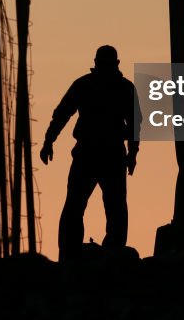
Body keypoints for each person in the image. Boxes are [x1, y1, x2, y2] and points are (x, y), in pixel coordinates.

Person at [39, 45, 142, 260]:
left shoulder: (98, 86)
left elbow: (134, 124)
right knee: (87, 206)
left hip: (101, 155)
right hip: (96, 154)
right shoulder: (114, 87)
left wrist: (132, 154)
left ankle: (97, 253)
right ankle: (75, 254)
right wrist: (49, 140)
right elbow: (62, 113)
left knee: (104, 207)